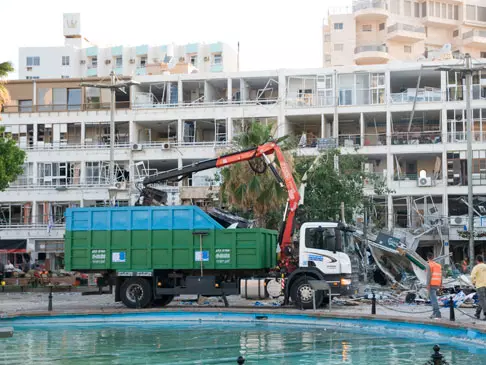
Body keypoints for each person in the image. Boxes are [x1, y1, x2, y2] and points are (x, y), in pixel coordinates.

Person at [427, 252, 442, 319]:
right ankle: (435, 313)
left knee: (433, 299)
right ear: (433, 257)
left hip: (432, 284)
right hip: (437, 283)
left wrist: (428, 285)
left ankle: (437, 313)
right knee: (433, 298)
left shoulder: (429, 265)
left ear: (427, 258)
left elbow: (429, 276)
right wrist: (441, 284)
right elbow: (441, 276)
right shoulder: (438, 265)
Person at [471, 255, 486, 320]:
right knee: (482, 300)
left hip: (480, 285)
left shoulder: (476, 267)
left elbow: (472, 276)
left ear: (477, 260)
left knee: (482, 300)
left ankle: (485, 313)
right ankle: (477, 313)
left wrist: (473, 282)